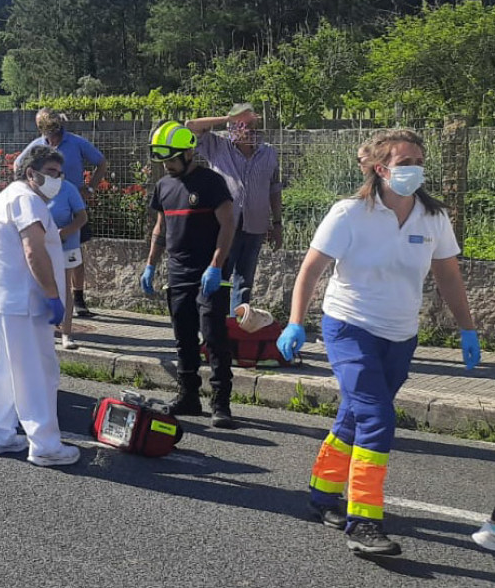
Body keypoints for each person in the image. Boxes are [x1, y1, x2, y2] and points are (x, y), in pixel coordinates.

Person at [276, 129, 480, 556]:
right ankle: (364, 522)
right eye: (405, 163)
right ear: (380, 167)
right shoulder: (349, 213)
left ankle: (321, 494)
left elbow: (448, 275)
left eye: (419, 161)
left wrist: (467, 328)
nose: (414, 170)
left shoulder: (433, 218)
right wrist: (296, 323)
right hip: (349, 327)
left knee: (355, 416)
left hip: (401, 334)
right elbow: (311, 269)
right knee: (377, 419)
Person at [0, 144, 80, 466]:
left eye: (60, 174)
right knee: (37, 372)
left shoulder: (8, 196)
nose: (57, 180)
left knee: (2, 370)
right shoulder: (26, 199)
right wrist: (52, 295)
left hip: (4, 300)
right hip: (24, 302)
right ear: (30, 173)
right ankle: (46, 445)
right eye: (50, 173)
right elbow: (33, 250)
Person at [139, 122, 236, 428]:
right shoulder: (164, 187)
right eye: (164, 161)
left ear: (189, 152)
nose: (167, 166)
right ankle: (189, 397)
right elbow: (160, 227)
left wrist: (216, 265)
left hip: (209, 273)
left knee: (214, 337)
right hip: (178, 273)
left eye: (171, 159)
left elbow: (229, 224)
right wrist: (151, 265)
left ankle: (221, 403)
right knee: (184, 337)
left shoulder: (211, 183)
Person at [185, 103, 284, 313]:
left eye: (250, 125)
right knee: (218, 279)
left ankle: (236, 331)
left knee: (244, 283)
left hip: (255, 227)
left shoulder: (269, 153)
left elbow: (274, 189)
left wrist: (277, 223)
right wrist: (228, 117)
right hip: (222, 228)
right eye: (240, 124)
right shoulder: (218, 146)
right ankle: (211, 325)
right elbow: (190, 126)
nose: (246, 129)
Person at [14, 108, 106, 318]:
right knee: (43, 251)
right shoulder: (37, 146)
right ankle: (49, 295)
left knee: (75, 253)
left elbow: (101, 162)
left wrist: (90, 188)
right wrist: (27, 189)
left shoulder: (76, 142)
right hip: (43, 208)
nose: (52, 135)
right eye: (48, 130)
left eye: (54, 129)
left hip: (72, 205)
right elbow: (18, 164)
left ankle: (78, 298)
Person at [47, 178, 88, 350]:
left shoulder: (69, 188)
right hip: (44, 244)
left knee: (64, 288)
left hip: (66, 244)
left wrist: (64, 232)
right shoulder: (36, 189)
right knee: (44, 286)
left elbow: (82, 217)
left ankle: (67, 334)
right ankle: (47, 332)